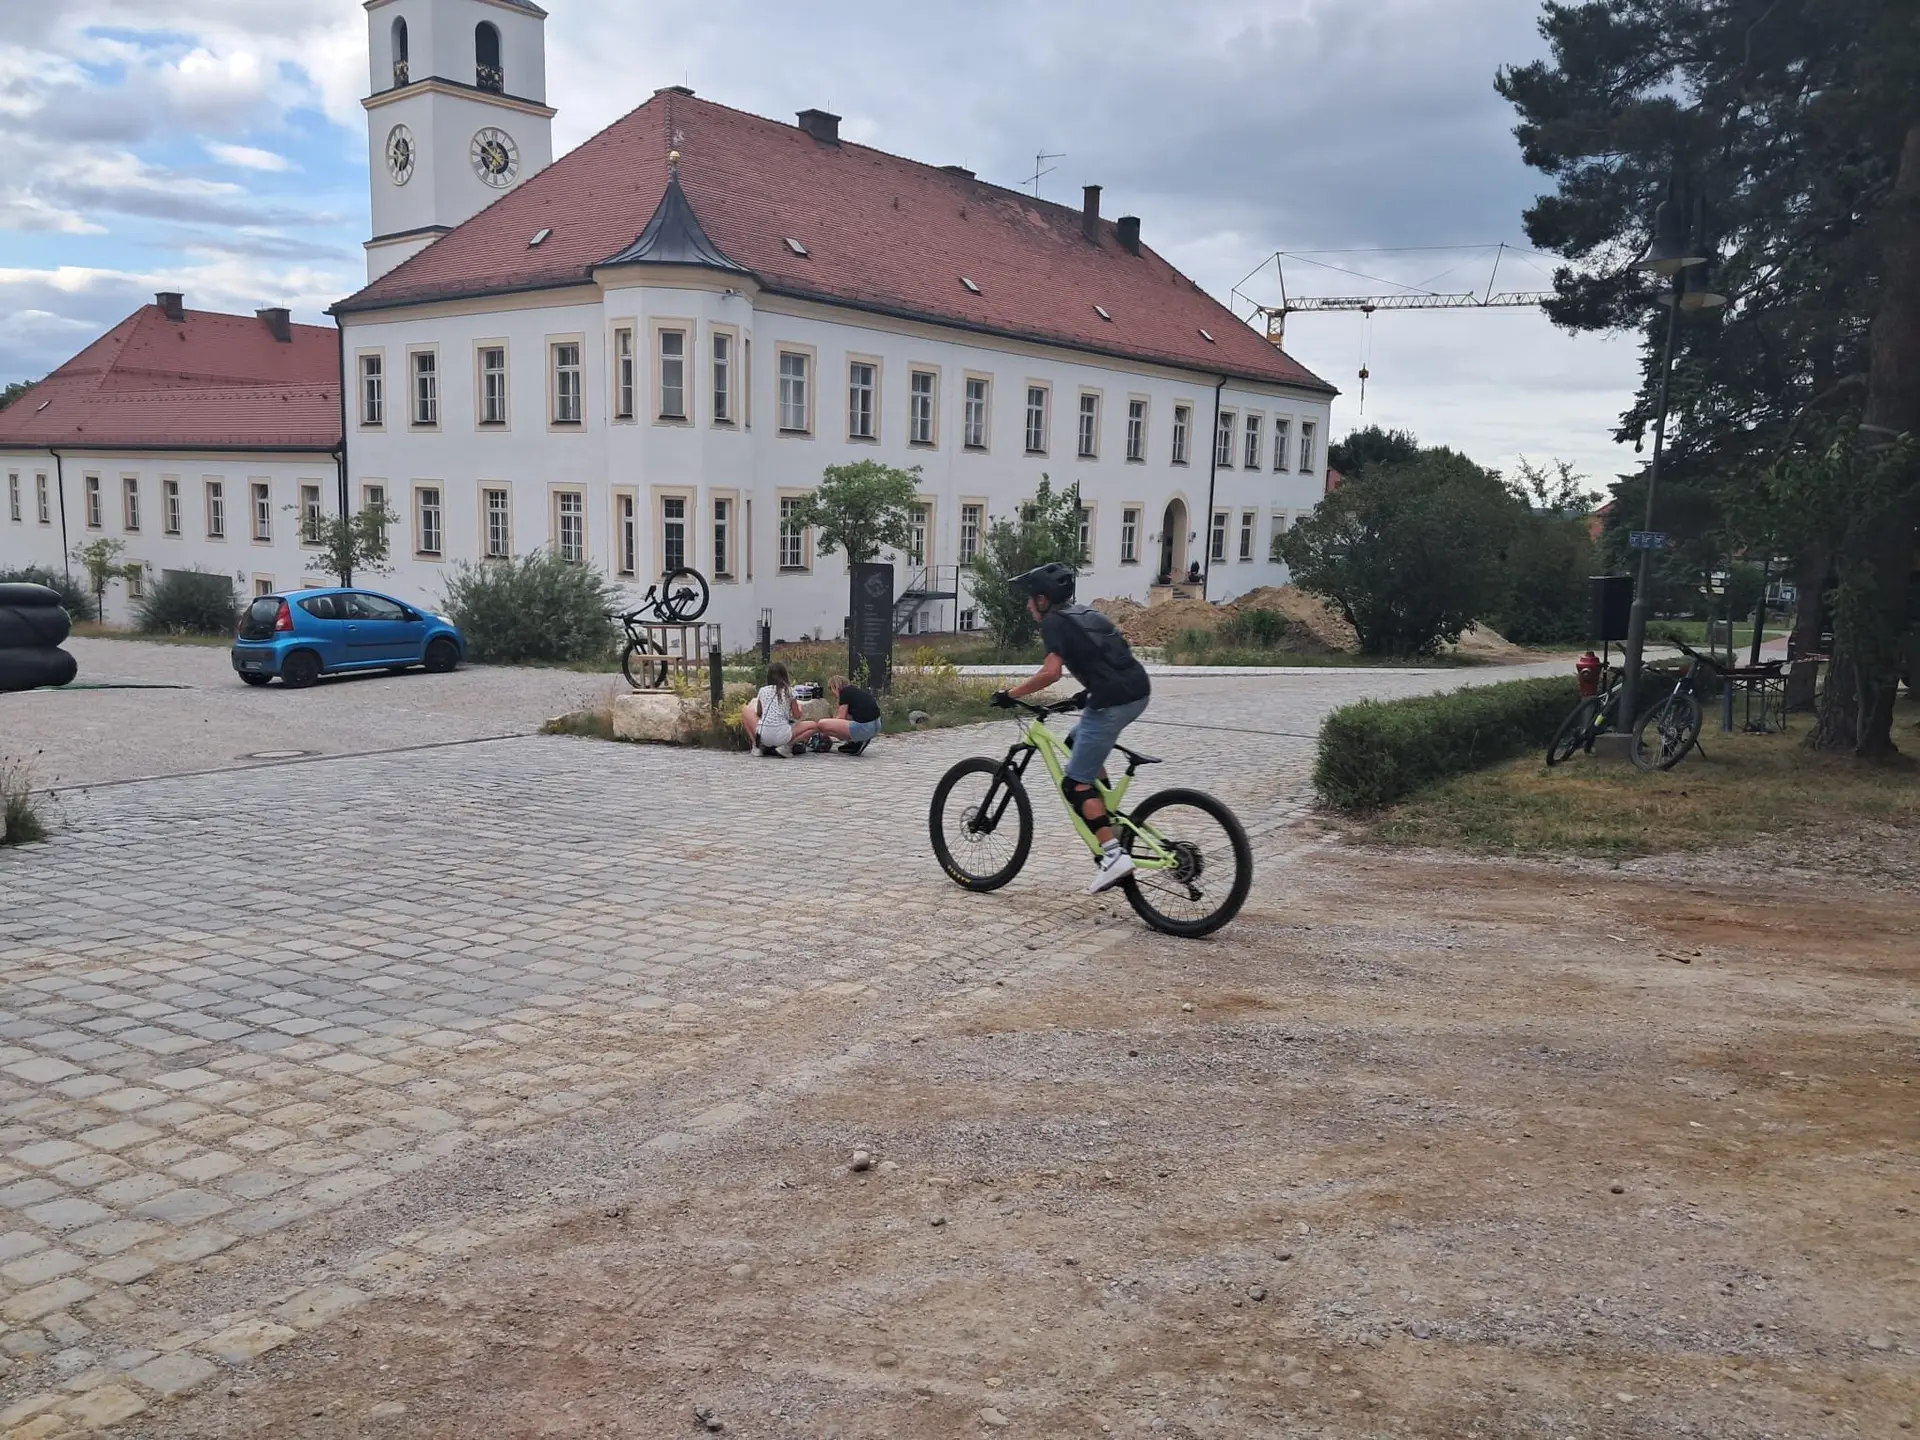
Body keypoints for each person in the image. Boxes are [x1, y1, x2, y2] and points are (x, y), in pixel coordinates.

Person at [992, 563, 1152, 893]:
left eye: (1030, 600)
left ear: (1043, 600)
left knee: (1074, 784)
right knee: (1077, 739)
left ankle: (1112, 853)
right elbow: (1107, 656)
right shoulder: (1085, 613)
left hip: (1111, 702)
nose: (1027, 606)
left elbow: (1051, 673)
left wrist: (1011, 694)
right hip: (1137, 691)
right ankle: (1106, 814)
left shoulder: (1053, 623)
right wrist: (1085, 694)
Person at [741, 661, 820, 757]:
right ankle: (787, 747)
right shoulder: (790, 691)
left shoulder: (763, 690)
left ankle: (757, 746)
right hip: (782, 736)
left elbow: (759, 712)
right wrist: (799, 708)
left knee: (745, 710)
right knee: (814, 726)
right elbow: (797, 716)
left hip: (763, 736)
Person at [817, 675, 883, 754]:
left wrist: (825, 732)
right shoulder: (856, 691)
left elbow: (841, 718)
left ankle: (857, 740)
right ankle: (855, 742)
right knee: (848, 718)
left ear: (834, 687)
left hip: (864, 728)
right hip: (876, 726)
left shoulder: (844, 692)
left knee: (822, 724)